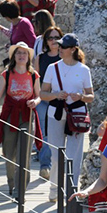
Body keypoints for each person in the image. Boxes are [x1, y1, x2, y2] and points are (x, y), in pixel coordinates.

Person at [0, 42, 42, 197]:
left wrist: (35, 101)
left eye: (24, 53)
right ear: (14, 56)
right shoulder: (7, 74)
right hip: (9, 116)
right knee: (9, 154)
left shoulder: (34, 75)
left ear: (28, 57)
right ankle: (12, 184)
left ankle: (20, 189)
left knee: (24, 154)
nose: (21, 56)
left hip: (27, 115)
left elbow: (39, 95)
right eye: (18, 53)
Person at [40, 33, 94, 202]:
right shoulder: (52, 67)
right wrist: (56, 94)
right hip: (55, 113)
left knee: (74, 155)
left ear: (72, 49)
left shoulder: (84, 69)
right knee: (56, 155)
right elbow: (42, 94)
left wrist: (81, 97)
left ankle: (72, 191)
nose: (59, 49)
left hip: (77, 115)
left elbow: (91, 96)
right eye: (59, 46)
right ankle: (55, 189)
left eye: (63, 47)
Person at [34, 26, 63, 181]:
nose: (54, 41)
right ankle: (45, 166)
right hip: (44, 99)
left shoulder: (66, 58)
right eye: (50, 38)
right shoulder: (40, 58)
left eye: (57, 38)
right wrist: (36, 98)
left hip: (61, 101)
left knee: (60, 134)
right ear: (46, 41)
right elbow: (36, 80)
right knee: (45, 134)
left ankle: (60, 167)